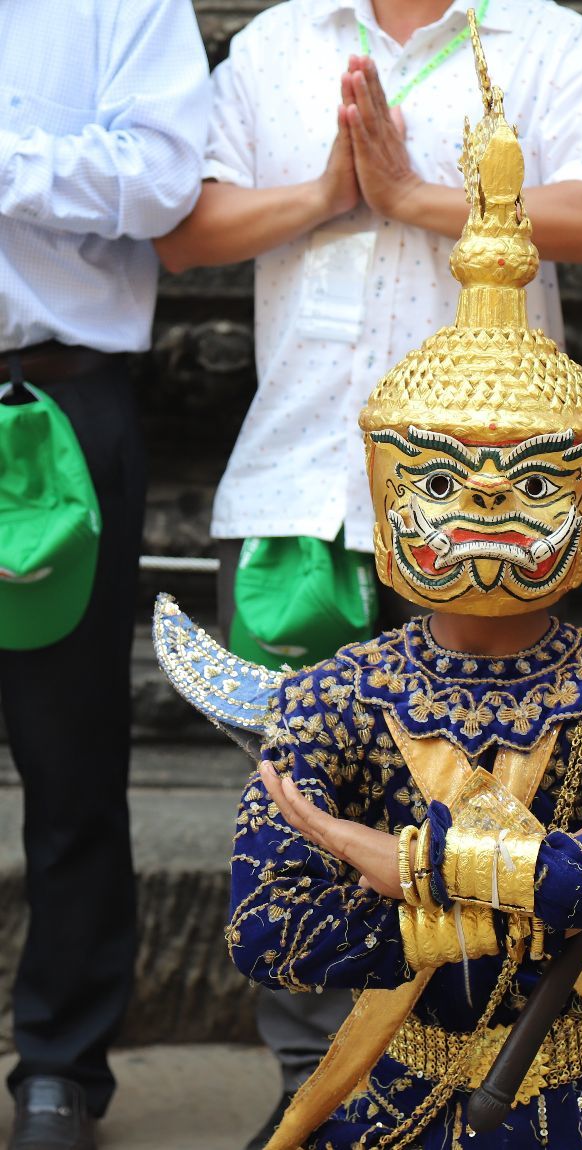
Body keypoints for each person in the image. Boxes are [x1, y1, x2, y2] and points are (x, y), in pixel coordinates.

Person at [156, 27, 582, 1147]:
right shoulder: (337, 697)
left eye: (527, 481)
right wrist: (556, 880)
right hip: (403, 1081)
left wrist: (409, 864)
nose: (483, 508)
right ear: (385, 502)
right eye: (440, 480)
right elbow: (270, 927)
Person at [0, 4, 208, 1149]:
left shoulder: (121, 5)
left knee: (69, 753)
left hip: (53, 402)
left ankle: (60, 1067)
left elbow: (162, 186)